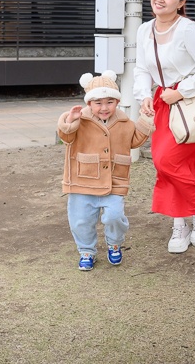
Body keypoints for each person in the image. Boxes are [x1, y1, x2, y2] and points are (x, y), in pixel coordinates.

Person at [134, 0, 195, 254]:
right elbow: (141, 68)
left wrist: (180, 92)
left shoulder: (187, 29)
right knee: (167, 164)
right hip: (163, 102)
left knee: (168, 162)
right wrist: (143, 95)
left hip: (193, 103)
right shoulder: (144, 30)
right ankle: (180, 223)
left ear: (181, 2)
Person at [57, 70, 153, 271]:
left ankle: (115, 243)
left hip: (114, 179)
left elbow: (135, 140)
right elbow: (66, 137)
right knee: (80, 220)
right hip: (82, 179)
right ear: (89, 103)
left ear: (117, 102)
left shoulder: (124, 122)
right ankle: (86, 251)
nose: (104, 107)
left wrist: (145, 120)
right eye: (98, 102)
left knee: (115, 216)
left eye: (110, 101)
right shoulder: (79, 119)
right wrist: (70, 121)